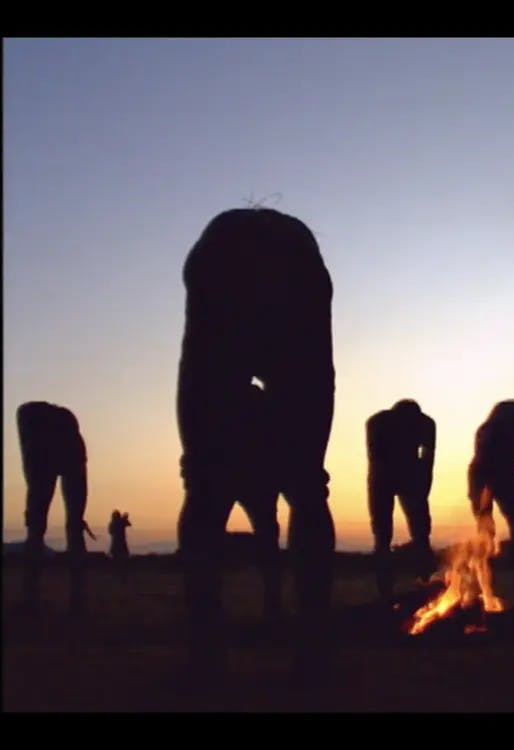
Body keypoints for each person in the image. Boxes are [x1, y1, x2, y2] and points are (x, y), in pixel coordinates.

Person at [176, 207, 336, 679]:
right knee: (306, 488)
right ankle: (312, 652)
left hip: (232, 262)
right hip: (286, 267)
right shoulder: (294, 259)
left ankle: (206, 654)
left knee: (205, 488)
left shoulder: (221, 255)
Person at [16, 401, 92, 615]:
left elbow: (32, 471)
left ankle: (34, 597)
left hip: (56, 444)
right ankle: (76, 599)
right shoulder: (55, 419)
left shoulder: (29, 417)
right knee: (69, 526)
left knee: (40, 526)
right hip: (66, 444)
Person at [468, 400, 514, 607]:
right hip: (482, 474)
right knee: (485, 536)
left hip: (507, 473)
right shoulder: (487, 432)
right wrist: (483, 509)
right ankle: (486, 593)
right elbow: (485, 471)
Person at [366, 399, 436, 600]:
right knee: (385, 535)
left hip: (404, 476)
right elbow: (376, 457)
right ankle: (387, 591)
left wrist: (422, 490)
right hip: (384, 476)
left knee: (418, 534)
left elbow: (428, 460)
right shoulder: (378, 422)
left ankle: (424, 583)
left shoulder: (426, 425)